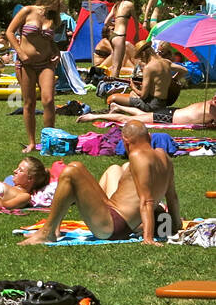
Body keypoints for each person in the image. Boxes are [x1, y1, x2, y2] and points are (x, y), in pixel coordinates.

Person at [20, 121, 180, 245]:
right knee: (82, 170)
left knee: (72, 170)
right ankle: (53, 229)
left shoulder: (137, 155)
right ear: (149, 136)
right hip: (119, 220)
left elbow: (146, 200)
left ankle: (47, 231)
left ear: (126, 141)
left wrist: (148, 238)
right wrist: (177, 226)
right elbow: (172, 198)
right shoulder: (163, 156)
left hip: (112, 226)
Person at [5, 0, 66, 153]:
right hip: (26, 64)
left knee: (48, 100)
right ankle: (32, 142)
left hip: (46, 62)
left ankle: (49, 141)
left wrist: (57, 52)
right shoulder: (27, 11)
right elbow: (9, 32)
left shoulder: (54, 18)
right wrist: (20, 53)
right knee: (29, 102)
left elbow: (49, 41)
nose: (61, 3)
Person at [105, 40, 173, 114]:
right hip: (163, 104)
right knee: (131, 95)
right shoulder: (166, 62)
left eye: (140, 57)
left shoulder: (149, 67)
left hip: (151, 105)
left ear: (143, 53)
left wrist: (133, 86)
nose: (140, 59)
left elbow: (143, 96)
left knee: (112, 98)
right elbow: (183, 70)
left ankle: (119, 109)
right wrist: (174, 80)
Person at [78, 93, 216, 128]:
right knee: (128, 120)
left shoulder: (210, 103)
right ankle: (92, 116)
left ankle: (118, 107)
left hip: (172, 113)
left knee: (145, 115)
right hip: (169, 118)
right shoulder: (213, 109)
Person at [106, 0, 137, 78]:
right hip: (120, 36)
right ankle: (113, 85)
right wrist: (137, 34)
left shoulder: (116, 5)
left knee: (115, 64)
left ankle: (111, 83)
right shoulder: (129, 4)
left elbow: (106, 22)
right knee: (117, 66)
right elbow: (136, 20)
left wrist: (115, 25)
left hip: (113, 36)